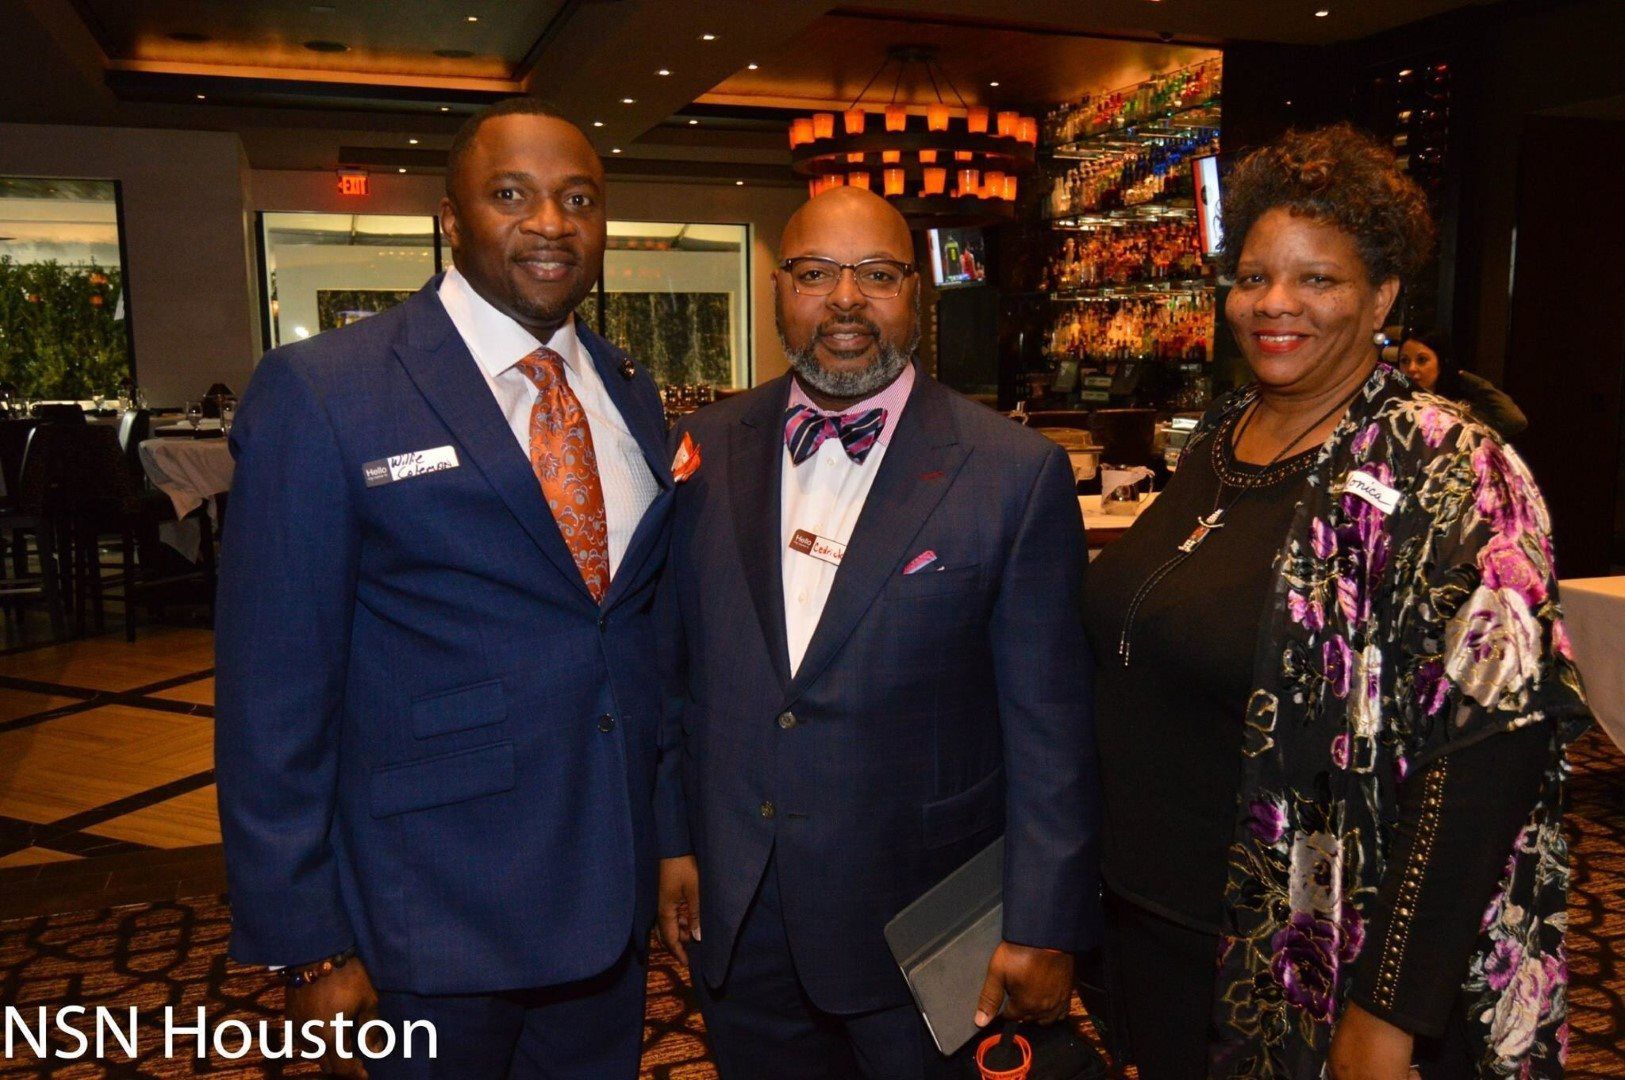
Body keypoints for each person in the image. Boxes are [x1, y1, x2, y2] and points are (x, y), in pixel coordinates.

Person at [1081, 124, 1589, 1079]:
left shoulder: (1450, 465)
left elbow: (1489, 753)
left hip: (1320, 960)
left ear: (1381, 297)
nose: (1276, 305)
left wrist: (1388, 1007)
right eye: (1253, 277)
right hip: (1156, 930)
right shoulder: (1222, 437)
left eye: (1318, 280)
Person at [215, 98, 674, 1079]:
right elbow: (271, 695)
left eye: (578, 199)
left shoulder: (627, 386)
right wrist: (311, 943)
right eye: (510, 195)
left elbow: (633, 638)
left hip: (608, 901)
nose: (550, 223)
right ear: (450, 217)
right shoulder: (325, 388)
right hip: (426, 921)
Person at [654, 187, 1100, 1080]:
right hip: (742, 905)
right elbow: (675, 669)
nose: (845, 300)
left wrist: (1043, 921)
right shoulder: (703, 446)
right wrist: (675, 839)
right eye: (816, 273)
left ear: (917, 295)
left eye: (878, 275)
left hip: (924, 918)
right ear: (778, 287)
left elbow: (1051, 725)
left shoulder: (1013, 473)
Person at [1398, 327, 1528, 439]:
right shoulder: (1393, 405)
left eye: (1422, 360)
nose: (1411, 368)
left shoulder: (1459, 409)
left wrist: (1462, 376)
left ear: (1441, 362)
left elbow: (1515, 420)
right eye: (1404, 361)